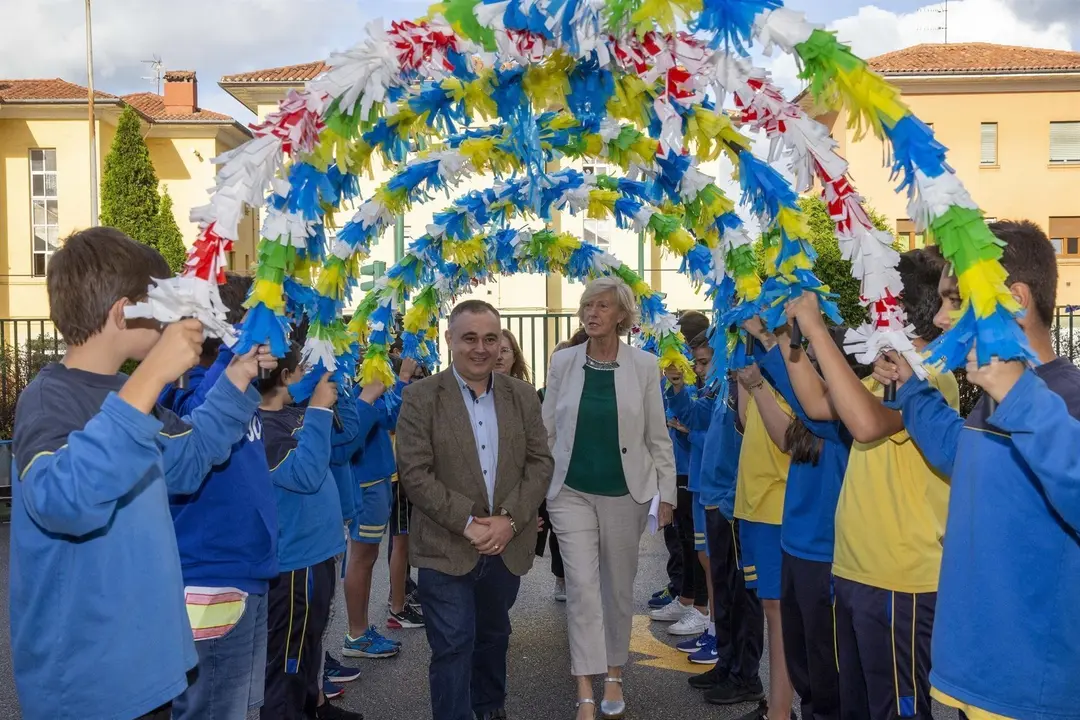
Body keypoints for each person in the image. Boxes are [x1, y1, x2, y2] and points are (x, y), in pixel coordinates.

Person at [9, 227, 270, 720]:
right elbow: (64, 501)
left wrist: (237, 377)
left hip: (148, 671)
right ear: (122, 311)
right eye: (162, 301)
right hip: (89, 684)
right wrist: (151, 378)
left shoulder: (131, 393)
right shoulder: (49, 399)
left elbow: (188, 461)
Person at [874, 221, 1080, 720]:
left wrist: (1020, 396)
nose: (942, 319)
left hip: (1029, 692)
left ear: (1015, 300)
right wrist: (912, 387)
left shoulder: (1064, 399)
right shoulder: (998, 400)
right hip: (973, 677)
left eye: (956, 300)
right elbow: (956, 451)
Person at [783, 247, 958, 720]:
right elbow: (820, 405)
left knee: (896, 709)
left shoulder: (929, 375)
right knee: (858, 706)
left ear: (897, 309)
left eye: (874, 298)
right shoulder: (885, 372)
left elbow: (863, 423)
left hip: (900, 580)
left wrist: (818, 330)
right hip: (857, 571)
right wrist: (788, 334)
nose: (866, 307)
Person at [396, 299, 554, 720]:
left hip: (507, 545)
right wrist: (469, 523)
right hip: (445, 546)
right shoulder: (420, 397)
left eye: (490, 339)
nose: (481, 348)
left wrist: (510, 520)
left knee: (493, 637)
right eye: (470, 338)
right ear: (449, 339)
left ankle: (489, 709)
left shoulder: (521, 396)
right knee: (451, 646)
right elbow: (415, 473)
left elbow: (540, 463)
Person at [543, 276, 677, 720]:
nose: (592, 313)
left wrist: (668, 494)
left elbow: (658, 436)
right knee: (581, 587)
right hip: (570, 492)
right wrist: (538, 489)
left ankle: (614, 672)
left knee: (618, 589)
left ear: (622, 315)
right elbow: (547, 430)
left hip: (626, 494)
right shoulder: (562, 362)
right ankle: (584, 689)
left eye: (602, 306)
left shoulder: (644, 366)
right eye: (587, 305)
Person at [158, 272, 281, 720]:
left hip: (245, 573)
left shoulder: (236, 385)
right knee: (210, 709)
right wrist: (235, 357)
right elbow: (193, 426)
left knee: (237, 707)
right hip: (211, 578)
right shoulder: (190, 389)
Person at [744, 319, 859, 720]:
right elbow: (787, 438)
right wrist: (757, 385)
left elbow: (804, 400)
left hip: (826, 555)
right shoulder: (815, 420)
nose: (805, 365)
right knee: (803, 663)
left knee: (827, 673)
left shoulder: (846, 415)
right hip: (795, 546)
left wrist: (768, 339)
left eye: (814, 359)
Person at [260, 343, 375, 720]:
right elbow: (307, 475)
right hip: (295, 566)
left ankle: (312, 708)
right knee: (289, 661)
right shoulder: (264, 428)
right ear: (288, 375)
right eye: (305, 367)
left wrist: (334, 384)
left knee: (309, 649)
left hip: (318, 555)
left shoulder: (295, 412)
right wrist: (319, 408)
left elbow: (345, 440)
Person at [728, 362, 795, 720]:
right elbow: (743, 421)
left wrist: (756, 385)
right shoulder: (759, 369)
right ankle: (776, 705)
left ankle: (781, 711)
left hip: (777, 507)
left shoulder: (790, 367)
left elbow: (787, 439)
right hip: (753, 505)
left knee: (779, 612)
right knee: (771, 610)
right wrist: (741, 378)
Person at [341, 359, 414, 656]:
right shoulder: (340, 378)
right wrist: (367, 395)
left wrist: (402, 379)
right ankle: (357, 634)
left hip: (378, 476)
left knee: (366, 557)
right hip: (365, 480)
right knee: (360, 557)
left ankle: (360, 631)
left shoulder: (361, 373)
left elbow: (391, 419)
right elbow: (349, 437)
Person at [661, 330, 718, 644]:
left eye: (703, 362)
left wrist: (690, 433)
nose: (697, 369)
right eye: (695, 363)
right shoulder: (710, 389)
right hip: (699, 482)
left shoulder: (727, 388)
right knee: (701, 554)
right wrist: (678, 387)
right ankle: (709, 624)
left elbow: (721, 439)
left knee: (712, 561)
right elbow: (696, 416)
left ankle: (711, 621)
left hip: (714, 485)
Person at [386, 356, 425, 630]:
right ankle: (397, 607)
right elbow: (392, 420)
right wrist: (402, 380)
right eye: (413, 376)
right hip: (397, 475)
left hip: (403, 472)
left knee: (405, 541)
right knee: (401, 542)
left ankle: (400, 597)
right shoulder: (392, 394)